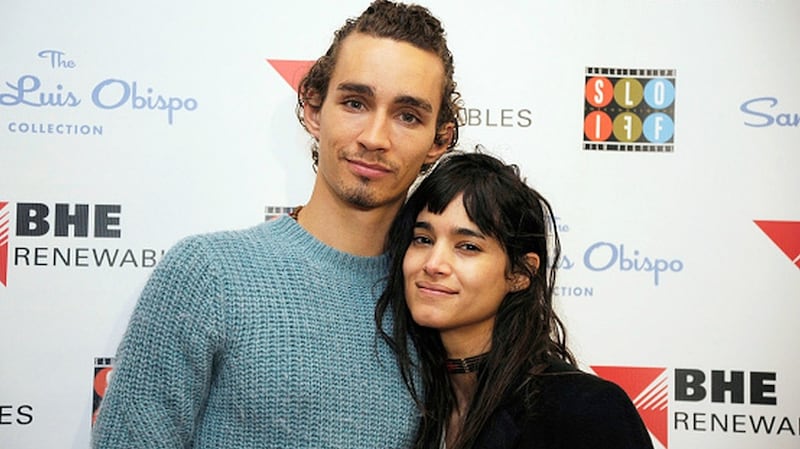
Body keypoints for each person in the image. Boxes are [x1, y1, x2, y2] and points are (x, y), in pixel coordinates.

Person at [92, 1, 460, 448]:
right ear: (312, 108)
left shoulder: (436, 297)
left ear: (438, 139)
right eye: (355, 103)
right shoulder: (209, 273)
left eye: (407, 116)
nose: (375, 137)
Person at [376, 151, 654, 449]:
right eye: (423, 239)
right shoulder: (408, 405)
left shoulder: (586, 409)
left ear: (521, 273)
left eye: (467, 246)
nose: (433, 264)